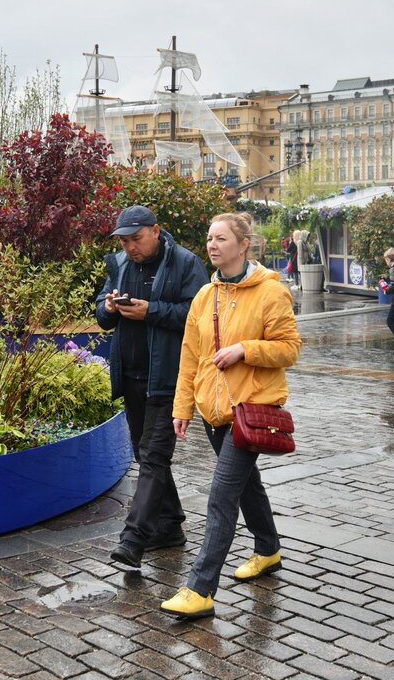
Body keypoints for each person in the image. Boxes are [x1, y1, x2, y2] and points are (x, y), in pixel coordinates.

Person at [160, 212, 301, 620]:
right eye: (209, 238)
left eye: (221, 238)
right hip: (214, 411)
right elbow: (190, 356)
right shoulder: (206, 295)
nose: (212, 245)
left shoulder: (270, 293)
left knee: (221, 497)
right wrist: (183, 407)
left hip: (253, 408)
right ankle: (268, 550)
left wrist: (246, 350)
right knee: (246, 486)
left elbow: (290, 347)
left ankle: (200, 589)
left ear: (243, 244)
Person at [95, 205, 207, 569]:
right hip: (131, 376)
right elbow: (100, 311)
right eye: (124, 240)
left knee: (154, 455)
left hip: (168, 377)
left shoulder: (186, 263)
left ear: (155, 231)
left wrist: (151, 311)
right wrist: (110, 308)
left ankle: (134, 539)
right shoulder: (119, 264)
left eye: (136, 239)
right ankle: (171, 525)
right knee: (147, 455)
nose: (130, 247)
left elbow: (199, 316)